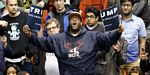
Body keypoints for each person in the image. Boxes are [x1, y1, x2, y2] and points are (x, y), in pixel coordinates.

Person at [23, 11, 124, 75]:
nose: (74, 19)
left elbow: (107, 38)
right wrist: (30, 34)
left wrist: (118, 31)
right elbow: (41, 42)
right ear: (69, 22)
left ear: (81, 22)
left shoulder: (93, 36)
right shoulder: (58, 39)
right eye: (72, 18)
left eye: (77, 18)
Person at [0, 0, 35, 74]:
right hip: (8, 61)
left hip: (24, 60)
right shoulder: (3, 20)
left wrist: (30, 54)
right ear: (6, 5)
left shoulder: (25, 17)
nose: (14, 7)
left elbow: (33, 35)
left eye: (15, 5)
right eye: (11, 5)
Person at [119, 0, 147, 75]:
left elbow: (142, 41)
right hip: (118, 61)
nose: (125, 7)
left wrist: (141, 58)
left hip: (134, 61)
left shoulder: (139, 21)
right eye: (123, 5)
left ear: (132, 7)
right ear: (120, 6)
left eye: (128, 5)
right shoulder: (116, 21)